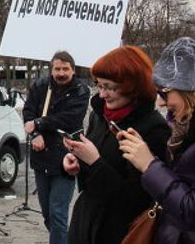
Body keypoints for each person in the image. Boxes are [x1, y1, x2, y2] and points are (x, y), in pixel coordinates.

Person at [63, 45, 171, 244]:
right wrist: (77, 161)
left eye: (109, 87)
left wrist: (94, 163)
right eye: (99, 85)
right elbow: (90, 175)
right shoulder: (100, 115)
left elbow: (135, 201)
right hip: (85, 225)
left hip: (119, 233)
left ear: (133, 87)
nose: (102, 94)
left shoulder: (153, 129)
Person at [118, 37, 195, 243]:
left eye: (164, 92)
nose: (160, 102)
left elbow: (190, 209)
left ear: (189, 91)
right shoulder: (181, 129)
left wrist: (150, 165)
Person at [23, 51, 90, 244]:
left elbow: (70, 119)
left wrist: (39, 123)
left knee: (58, 213)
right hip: (41, 157)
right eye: (57, 69)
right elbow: (28, 112)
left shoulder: (81, 90)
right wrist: (35, 134)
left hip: (66, 157)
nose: (61, 73)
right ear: (51, 69)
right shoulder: (40, 86)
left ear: (73, 69)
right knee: (48, 215)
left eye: (65, 69)